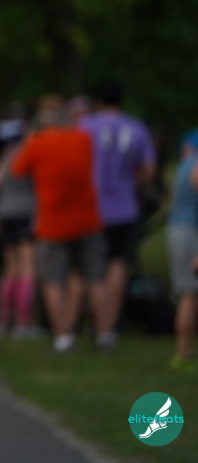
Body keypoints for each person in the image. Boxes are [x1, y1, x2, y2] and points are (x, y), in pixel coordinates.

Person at [11, 95, 113, 353]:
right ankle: (104, 334)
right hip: (87, 220)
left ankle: (63, 336)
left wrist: (31, 137)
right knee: (95, 278)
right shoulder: (83, 139)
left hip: (53, 224)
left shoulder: (38, 143)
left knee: (53, 281)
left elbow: (18, 170)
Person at [79, 80, 157, 347]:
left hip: (90, 206)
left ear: (98, 100)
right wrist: (128, 182)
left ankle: (91, 321)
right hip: (124, 207)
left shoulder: (85, 127)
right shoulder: (137, 128)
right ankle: (109, 326)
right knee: (117, 263)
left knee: (91, 266)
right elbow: (148, 171)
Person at [0, 116, 37, 339]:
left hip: (4, 213)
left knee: (10, 270)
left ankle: (3, 321)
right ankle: (23, 324)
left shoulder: (8, 153)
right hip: (25, 212)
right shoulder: (30, 152)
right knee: (27, 270)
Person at [166, 129, 198, 372]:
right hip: (190, 233)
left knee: (189, 292)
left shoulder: (185, 164)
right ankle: (183, 353)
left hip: (178, 230)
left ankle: (184, 352)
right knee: (190, 293)